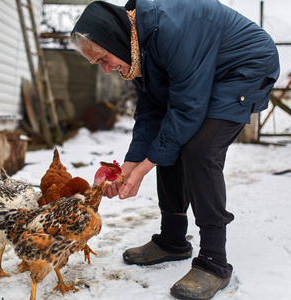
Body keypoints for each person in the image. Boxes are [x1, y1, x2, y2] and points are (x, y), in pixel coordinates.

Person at [71, 0, 279, 299]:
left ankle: (214, 261)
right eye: (98, 65)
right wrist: (128, 166)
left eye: (104, 58)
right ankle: (172, 239)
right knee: (167, 141)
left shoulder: (172, 31)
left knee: (199, 149)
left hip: (243, 67)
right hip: (205, 73)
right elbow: (150, 115)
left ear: (114, 38)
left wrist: (142, 170)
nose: (106, 70)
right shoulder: (136, 47)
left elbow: (186, 110)